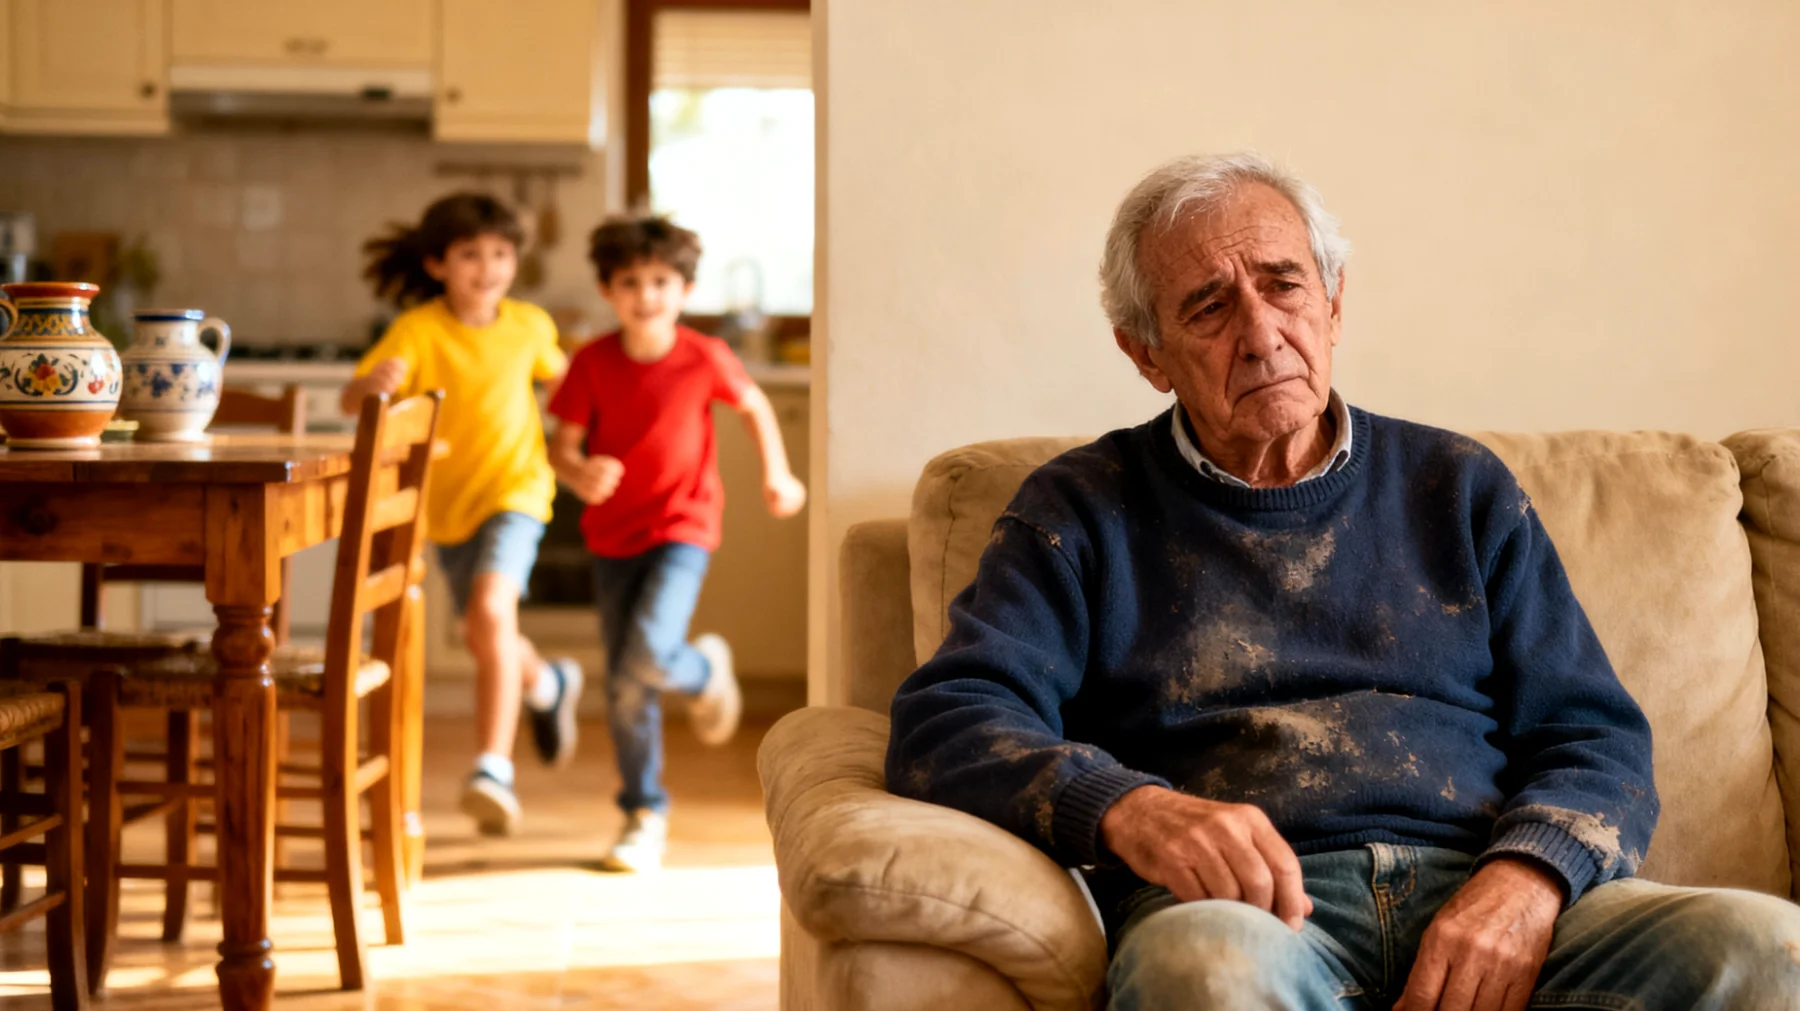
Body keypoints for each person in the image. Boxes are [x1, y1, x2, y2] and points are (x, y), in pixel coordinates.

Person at [885, 152, 1800, 1010]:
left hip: (1485, 885)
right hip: (1249, 916)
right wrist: (1131, 807)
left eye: (1284, 285)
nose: (1261, 334)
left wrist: (1528, 879)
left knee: (1767, 948)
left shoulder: (1459, 486)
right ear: (1146, 354)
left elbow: (1596, 735)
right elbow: (948, 720)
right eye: (1208, 307)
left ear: (1332, 302)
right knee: (1200, 970)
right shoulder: (1079, 509)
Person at [547, 214, 806, 873]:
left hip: (682, 527)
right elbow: (561, 447)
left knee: (646, 655)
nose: (646, 295)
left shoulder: (704, 355)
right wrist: (578, 471)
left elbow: (754, 406)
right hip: (611, 536)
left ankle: (702, 672)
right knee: (626, 685)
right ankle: (643, 812)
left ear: (685, 290)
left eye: (661, 281)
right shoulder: (591, 362)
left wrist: (777, 474)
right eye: (630, 282)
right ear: (607, 290)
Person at [342, 192, 583, 838]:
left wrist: (582, 439)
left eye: (501, 253)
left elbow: (569, 387)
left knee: (491, 615)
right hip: (445, 507)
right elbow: (353, 398)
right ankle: (548, 683)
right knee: (484, 633)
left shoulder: (530, 325)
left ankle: (491, 769)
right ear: (437, 263)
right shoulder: (417, 329)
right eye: (471, 254)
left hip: (517, 492)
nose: (488, 267)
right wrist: (374, 385)